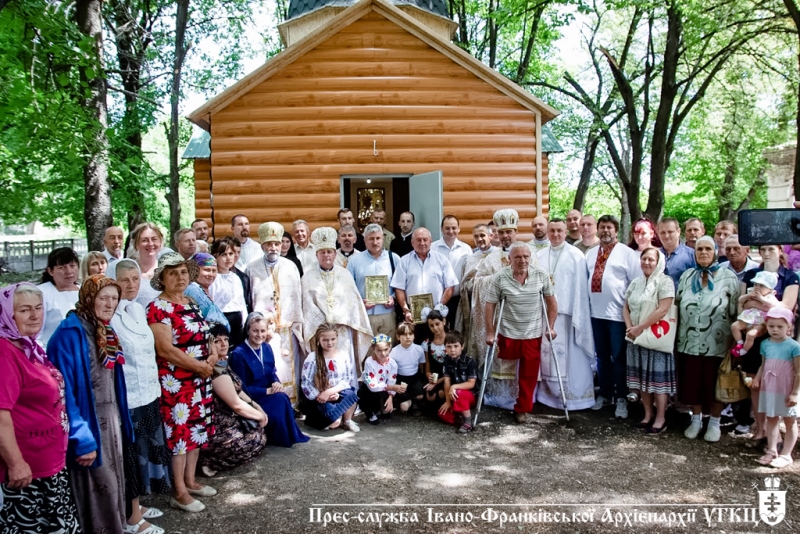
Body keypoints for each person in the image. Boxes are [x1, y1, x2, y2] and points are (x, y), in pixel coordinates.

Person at [47, 275, 133, 533]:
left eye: (114, 299)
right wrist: (81, 438)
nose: (110, 304)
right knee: (97, 490)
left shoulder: (106, 329)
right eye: (103, 297)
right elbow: (63, 394)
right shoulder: (69, 333)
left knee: (115, 486)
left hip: (111, 421)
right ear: (88, 297)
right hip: (88, 422)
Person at [0, 283, 80, 534]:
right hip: (27, 470)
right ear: (7, 314)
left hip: (49, 461)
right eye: (24, 310)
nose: (35, 315)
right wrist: (16, 463)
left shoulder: (28, 346)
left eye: (38, 308)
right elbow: (1, 416)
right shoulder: (5, 353)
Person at [146, 253, 217, 513]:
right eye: (172, 273)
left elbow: (206, 334)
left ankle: (190, 480)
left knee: (196, 431)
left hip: (201, 377)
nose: (179, 277)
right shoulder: (158, 308)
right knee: (179, 435)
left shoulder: (191, 301)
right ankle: (179, 490)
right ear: (162, 279)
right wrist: (199, 366)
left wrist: (211, 355)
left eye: (183, 272)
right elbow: (164, 349)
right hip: (176, 381)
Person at [109, 259, 171, 533]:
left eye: (135, 279)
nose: (131, 285)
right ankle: (131, 518)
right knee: (130, 458)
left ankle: (135, 506)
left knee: (144, 454)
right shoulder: (110, 316)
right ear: (114, 281)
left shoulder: (137, 309)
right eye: (124, 280)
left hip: (148, 392)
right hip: (129, 397)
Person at [470, 209, 538, 407]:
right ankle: (498, 396)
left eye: (509, 232)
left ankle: (521, 398)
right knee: (499, 354)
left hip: (522, 318)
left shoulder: (529, 255)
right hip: (499, 316)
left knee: (523, 358)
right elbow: (478, 282)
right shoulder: (490, 259)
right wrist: (497, 280)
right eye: (502, 232)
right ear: (496, 234)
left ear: (515, 232)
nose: (506, 236)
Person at [675, 236, 740, 442]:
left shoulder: (728, 277)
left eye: (707, 249)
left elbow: (735, 310)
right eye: (699, 249)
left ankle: (714, 422)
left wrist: (735, 341)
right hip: (688, 341)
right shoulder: (687, 276)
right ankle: (696, 420)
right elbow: (677, 304)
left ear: (714, 252)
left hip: (718, 342)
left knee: (715, 385)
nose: (703, 252)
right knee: (692, 383)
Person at [484, 242, 557, 422]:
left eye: (525, 256)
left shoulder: (540, 275)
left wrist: (551, 326)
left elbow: (552, 303)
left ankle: (522, 408)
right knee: (504, 368)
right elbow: (490, 305)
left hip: (532, 333)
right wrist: (490, 332)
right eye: (517, 257)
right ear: (509, 259)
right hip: (508, 332)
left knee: (529, 373)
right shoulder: (500, 277)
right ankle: (500, 400)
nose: (522, 260)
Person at [738, 244, 799, 442]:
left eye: (771, 249)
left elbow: (787, 308)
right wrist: (771, 303)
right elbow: (744, 303)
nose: (766, 253)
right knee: (755, 384)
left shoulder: (790, 277)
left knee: (777, 383)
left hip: (777, 339)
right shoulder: (752, 274)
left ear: (780, 250)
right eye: (762, 249)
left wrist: (762, 302)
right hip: (752, 336)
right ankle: (761, 428)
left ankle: (777, 434)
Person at [587, 215, 643, 418]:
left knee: (618, 358)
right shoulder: (591, 254)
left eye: (609, 227)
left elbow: (636, 284)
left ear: (616, 230)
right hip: (596, 314)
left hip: (618, 315)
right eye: (602, 227)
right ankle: (605, 393)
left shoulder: (627, 254)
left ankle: (621, 397)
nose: (605, 231)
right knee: (601, 357)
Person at [536, 219, 595, 411]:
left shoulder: (576, 255)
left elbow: (579, 289)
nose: (555, 234)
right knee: (546, 356)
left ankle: (572, 397)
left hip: (568, 315)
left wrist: (577, 313)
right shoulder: (539, 255)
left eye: (559, 231)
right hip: (544, 313)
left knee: (570, 357)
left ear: (565, 232)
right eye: (552, 230)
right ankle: (547, 396)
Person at [302, 227, 373, 382]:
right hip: (321, 333)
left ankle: (349, 400)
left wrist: (339, 318)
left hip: (343, 332)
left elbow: (353, 303)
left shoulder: (345, 274)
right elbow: (307, 306)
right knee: (324, 369)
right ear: (317, 255)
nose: (326, 255)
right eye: (322, 252)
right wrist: (326, 322)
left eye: (329, 252)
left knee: (345, 367)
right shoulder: (307, 277)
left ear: (335, 254)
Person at [229, 313, 309, 447]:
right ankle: (277, 437)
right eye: (255, 330)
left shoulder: (266, 348)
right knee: (280, 399)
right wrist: (266, 391)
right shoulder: (239, 353)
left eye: (262, 331)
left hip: (269, 392)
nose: (259, 335)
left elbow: (271, 372)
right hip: (252, 399)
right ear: (248, 331)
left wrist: (276, 382)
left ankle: (283, 435)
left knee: (282, 396)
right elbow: (240, 387)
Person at [247, 222, 304, 403]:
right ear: (263, 245)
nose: (273, 248)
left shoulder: (290, 266)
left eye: (276, 244)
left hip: (287, 326)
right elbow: (250, 297)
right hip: (264, 330)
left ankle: (292, 403)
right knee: (270, 367)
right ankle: (272, 401)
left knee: (291, 365)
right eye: (269, 244)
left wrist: (295, 321)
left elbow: (297, 295)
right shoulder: (252, 268)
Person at [200, 326, 268, 476]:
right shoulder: (215, 372)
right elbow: (236, 405)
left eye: (225, 339)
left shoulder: (222, 364)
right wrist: (259, 416)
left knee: (259, 432)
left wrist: (256, 406)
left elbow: (239, 391)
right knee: (257, 439)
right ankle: (210, 461)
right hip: (219, 428)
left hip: (231, 421)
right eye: (217, 341)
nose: (224, 344)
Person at [623, 248, 676, 434]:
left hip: (655, 338)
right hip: (635, 339)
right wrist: (630, 327)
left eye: (651, 259)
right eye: (644, 259)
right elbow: (626, 307)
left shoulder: (665, 282)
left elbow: (663, 309)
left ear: (658, 262)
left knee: (657, 382)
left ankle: (661, 418)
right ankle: (647, 415)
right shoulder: (636, 282)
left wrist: (640, 328)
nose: (647, 262)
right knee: (641, 380)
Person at [752, 307, 800, 468]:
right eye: (771, 326)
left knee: (789, 420)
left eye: (780, 326)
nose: (775, 330)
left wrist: (794, 393)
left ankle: (787, 454)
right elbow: (763, 365)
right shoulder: (765, 344)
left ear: (789, 327)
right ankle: (772, 450)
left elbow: (798, 371)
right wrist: (757, 379)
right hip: (770, 387)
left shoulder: (794, 346)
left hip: (786, 388)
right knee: (771, 418)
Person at [391, 227, 458, 337]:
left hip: (437, 315)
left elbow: (450, 286)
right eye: (418, 240)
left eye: (425, 240)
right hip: (413, 316)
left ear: (430, 241)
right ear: (412, 242)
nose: (422, 243)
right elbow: (399, 288)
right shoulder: (404, 261)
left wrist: (439, 307)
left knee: (436, 347)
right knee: (415, 346)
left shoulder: (442, 260)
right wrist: (406, 310)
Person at [299, 324, 361, 432]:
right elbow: (306, 384)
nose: (330, 343)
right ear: (319, 340)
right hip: (320, 397)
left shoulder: (343, 356)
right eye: (325, 340)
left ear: (337, 338)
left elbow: (347, 379)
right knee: (334, 423)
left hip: (337, 392)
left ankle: (347, 420)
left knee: (351, 394)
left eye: (333, 339)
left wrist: (331, 392)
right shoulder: (312, 358)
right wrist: (322, 395)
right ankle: (323, 418)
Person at [347, 223, 400, 340]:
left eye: (378, 238)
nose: (375, 242)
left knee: (387, 352)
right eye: (371, 238)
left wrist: (394, 297)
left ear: (383, 239)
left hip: (387, 314)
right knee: (367, 353)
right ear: (365, 240)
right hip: (364, 314)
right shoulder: (354, 261)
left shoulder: (394, 258)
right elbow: (348, 288)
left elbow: (401, 285)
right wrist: (360, 302)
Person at [454, 224, 495, 360]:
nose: (479, 239)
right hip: (473, 310)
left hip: (494, 309)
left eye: (482, 235)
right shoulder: (470, 258)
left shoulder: (499, 255)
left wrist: (478, 282)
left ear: (491, 236)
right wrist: (474, 284)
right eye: (476, 236)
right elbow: (464, 284)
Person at [432, 215, 472, 329]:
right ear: (441, 229)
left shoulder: (466, 249)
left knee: (456, 332)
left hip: (457, 300)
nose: (451, 231)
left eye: (454, 228)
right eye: (447, 228)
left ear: (459, 228)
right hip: (437, 300)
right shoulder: (433, 248)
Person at [38, 247, 80, 346]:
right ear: (50, 271)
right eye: (62, 267)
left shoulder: (86, 291)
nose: (69, 271)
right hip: (52, 351)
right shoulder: (41, 293)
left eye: (72, 265)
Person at [437, 331, 478, 433]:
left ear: (462, 347)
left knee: (459, 392)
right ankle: (460, 416)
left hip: (469, 396)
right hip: (454, 395)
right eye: (449, 347)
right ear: (445, 348)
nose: (452, 350)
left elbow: (471, 383)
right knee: (442, 414)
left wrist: (454, 386)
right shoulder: (447, 360)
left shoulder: (469, 361)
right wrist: (447, 401)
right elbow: (447, 381)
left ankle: (468, 422)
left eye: (456, 346)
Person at [210, 238, 248, 346]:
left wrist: (245, 324)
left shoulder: (236, 278)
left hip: (237, 322)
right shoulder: (213, 278)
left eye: (230, 254)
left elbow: (241, 303)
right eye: (223, 254)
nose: (228, 258)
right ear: (215, 256)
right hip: (220, 322)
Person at [731, 271, 779, 357]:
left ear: (770, 289)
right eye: (756, 284)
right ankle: (739, 343)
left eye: (761, 286)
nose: (757, 287)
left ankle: (744, 350)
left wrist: (760, 298)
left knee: (751, 334)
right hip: (747, 317)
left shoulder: (770, 296)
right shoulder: (751, 292)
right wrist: (747, 296)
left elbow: (772, 305)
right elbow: (740, 300)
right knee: (734, 326)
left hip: (760, 321)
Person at [358, 334, 400, 425]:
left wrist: (390, 398)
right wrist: (391, 387)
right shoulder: (369, 362)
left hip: (384, 388)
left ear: (390, 347)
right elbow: (372, 386)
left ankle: (383, 406)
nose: (383, 353)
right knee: (368, 394)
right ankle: (370, 411)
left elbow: (392, 380)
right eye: (379, 350)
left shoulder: (392, 364)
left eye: (386, 349)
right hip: (371, 390)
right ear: (373, 349)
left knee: (387, 413)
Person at [184, 253, 230, 331]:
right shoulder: (193, 290)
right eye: (207, 270)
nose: (211, 274)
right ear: (195, 270)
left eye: (214, 271)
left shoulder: (203, 290)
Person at [389, 322, 426, 413]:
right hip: (401, 378)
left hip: (414, 377)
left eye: (410, 334)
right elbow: (391, 370)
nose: (408, 337)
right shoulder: (394, 351)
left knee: (420, 395)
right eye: (404, 335)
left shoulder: (418, 349)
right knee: (404, 408)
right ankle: (405, 402)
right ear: (398, 337)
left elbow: (421, 365)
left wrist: (421, 379)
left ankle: (414, 403)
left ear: (414, 336)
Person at [130, 222, 166, 308]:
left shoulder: (167, 270)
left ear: (160, 242)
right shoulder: (129, 270)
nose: (150, 244)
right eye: (144, 240)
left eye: (154, 239)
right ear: (136, 245)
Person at [421, 308, 449, 406]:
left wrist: (438, 381)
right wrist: (429, 375)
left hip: (448, 375)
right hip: (435, 375)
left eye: (437, 324)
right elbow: (427, 363)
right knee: (430, 397)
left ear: (443, 322)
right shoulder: (427, 344)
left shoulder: (450, 341)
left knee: (442, 393)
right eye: (431, 325)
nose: (435, 328)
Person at [658, 217, 695, 289]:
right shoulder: (654, 255)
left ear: (678, 231)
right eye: (663, 232)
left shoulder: (691, 255)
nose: (666, 236)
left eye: (670, 232)